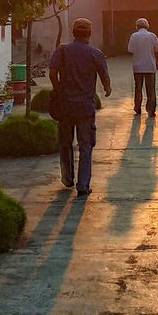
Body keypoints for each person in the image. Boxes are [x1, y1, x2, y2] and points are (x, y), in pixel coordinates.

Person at [49, 18, 111, 197]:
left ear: (73, 32)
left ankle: (67, 178)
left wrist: (59, 89)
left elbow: (52, 73)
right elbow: (104, 76)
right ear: (89, 34)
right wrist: (107, 88)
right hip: (85, 107)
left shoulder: (62, 51)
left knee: (65, 143)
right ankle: (83, 185)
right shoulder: (95, 53)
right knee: (85, 146)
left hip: (65, 106)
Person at [127, 18, 158, 117]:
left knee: (138, 88)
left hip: (137, 66)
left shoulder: (134, 36)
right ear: (147, 25)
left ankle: (137, 108)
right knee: (150, 89)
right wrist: (157, 62)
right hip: (150, 65)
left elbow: (130, 50)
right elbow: (157, 50)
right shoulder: (152, 36)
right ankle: (151, 110)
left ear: (137, 26)